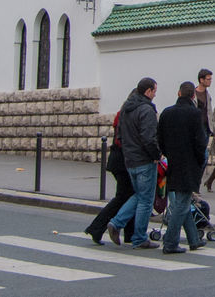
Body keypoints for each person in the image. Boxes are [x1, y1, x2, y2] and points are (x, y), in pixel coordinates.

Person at [107, 77, 161, 249]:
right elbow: (148, 138)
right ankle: (139, 237)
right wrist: (157, 154)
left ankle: (116, 222)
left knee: (139, 195)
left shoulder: (126, 109)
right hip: (144, 159)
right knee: (146, 199)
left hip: (129, 159)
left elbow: (120, 135)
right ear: (148, 91)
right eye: (154, 91)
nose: (155, 95)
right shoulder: (146, 110)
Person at [157, 81, 208, 254]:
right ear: (193, 96)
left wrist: (168, 153)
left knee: (182, 200)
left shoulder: (166, 113)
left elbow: (160, 139)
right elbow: (201, 142)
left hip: (173, 161)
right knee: (182, 203)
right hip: (189, 162)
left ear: (179, 93)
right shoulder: (195, 114)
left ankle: (193, 239)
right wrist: (200, 160)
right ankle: (170, 242)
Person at [85, 107, 136, 245]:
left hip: (118, 159)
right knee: (125, 197)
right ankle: (96, 228)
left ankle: (129, 233)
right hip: (123, 161)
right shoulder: (130, 113)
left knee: (129, 195)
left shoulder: (122, 113)